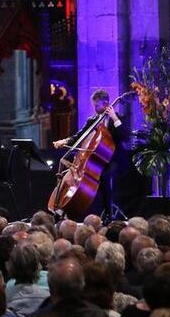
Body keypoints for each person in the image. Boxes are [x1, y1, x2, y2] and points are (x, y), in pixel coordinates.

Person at [53, 89, 128, 219]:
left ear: (105, 104)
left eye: (97, 106)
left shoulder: (117, 118)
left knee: (104, 176)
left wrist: (114, 118)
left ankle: (108, 213)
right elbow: (80, 136)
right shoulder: (92, 120)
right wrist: (65, 141)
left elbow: (124, 136)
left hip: (111, 160)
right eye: (94, 106)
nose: (95, 108)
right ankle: (66, 206)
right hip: (93, 159)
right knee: (72, 169)